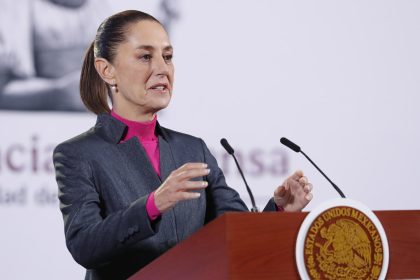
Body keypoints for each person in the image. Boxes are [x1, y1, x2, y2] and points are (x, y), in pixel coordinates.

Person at [53, 10, 313, 280]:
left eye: (167, 57)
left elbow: (235, 231)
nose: (162, 69)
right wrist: (152, 205)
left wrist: (280, 210)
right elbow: (84, 245)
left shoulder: (192, 149)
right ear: (107, 70)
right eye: (145, 57)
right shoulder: (78, 154)